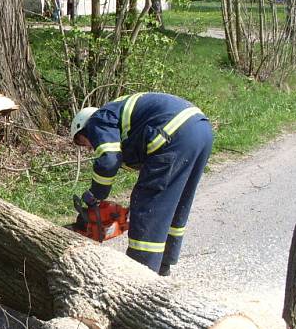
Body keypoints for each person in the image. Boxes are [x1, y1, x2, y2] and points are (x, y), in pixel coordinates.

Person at [70, 92, 213, 276]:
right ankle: (163, 265)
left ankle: (140, 274)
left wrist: (96, 195)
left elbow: (108, 161)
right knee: (174, 203)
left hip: (175, 133)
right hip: (201, 131)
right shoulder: (119, 115)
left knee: (147, 206)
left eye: (83, 142)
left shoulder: (98, 120)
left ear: (84, 127)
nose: (89, 147)